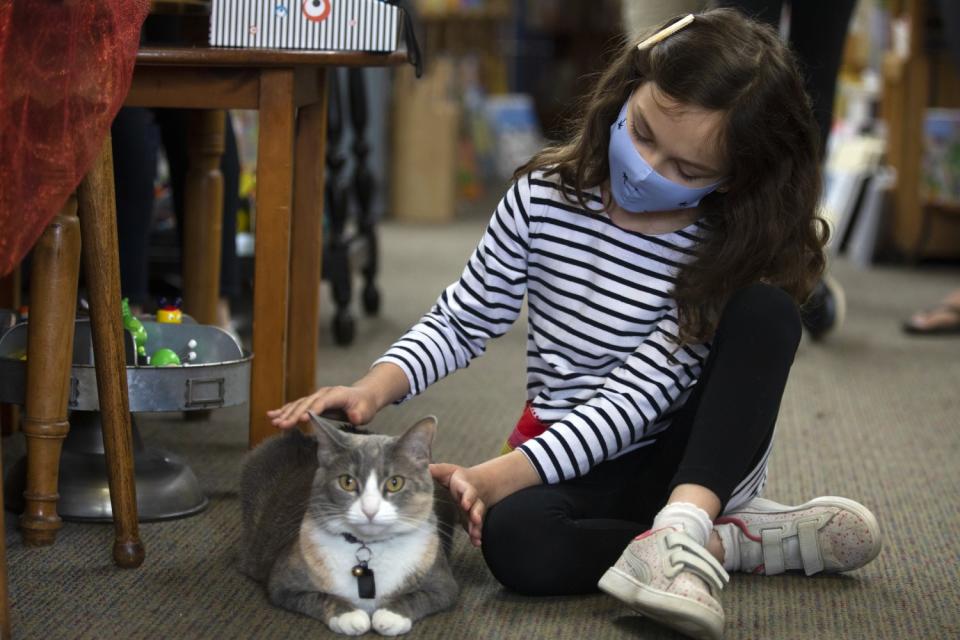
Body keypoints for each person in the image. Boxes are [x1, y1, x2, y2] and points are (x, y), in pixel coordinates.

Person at [268, 10, 882, 640]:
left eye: (688, 171)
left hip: (690, 460)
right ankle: (734, 544)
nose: (647, 168)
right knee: (515, 547)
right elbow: (462, 318)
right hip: (571, 458)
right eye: (642, 133)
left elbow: (638, 400)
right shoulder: (540, 200)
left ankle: (687, 526)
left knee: (768, 312)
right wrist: (376, 386)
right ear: (625, 90)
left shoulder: (722, 246)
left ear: (735, 179)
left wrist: (496, 476)